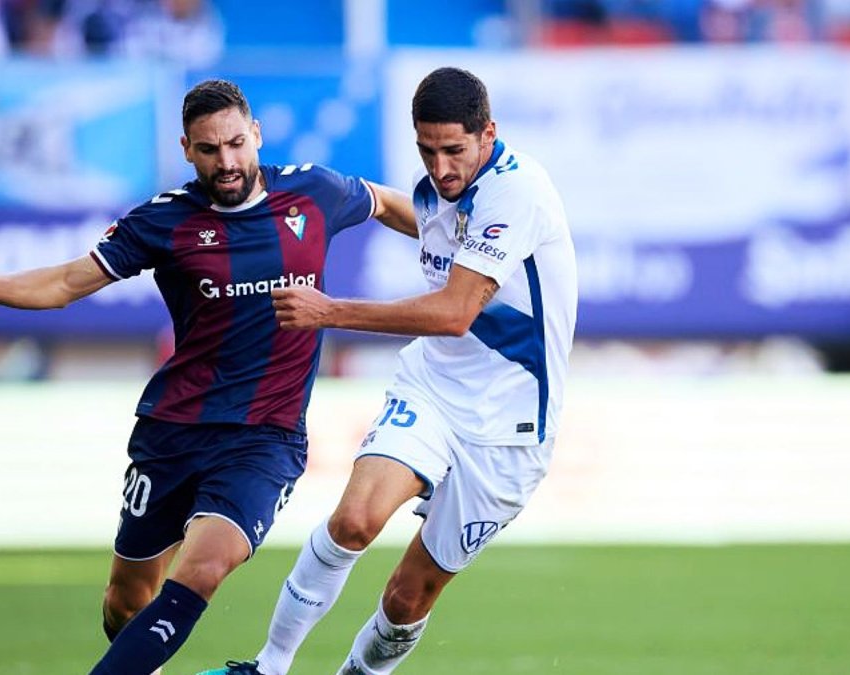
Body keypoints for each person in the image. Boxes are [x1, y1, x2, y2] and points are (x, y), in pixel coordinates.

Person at [0, 78, 416, 675]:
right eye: (209, 149)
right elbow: (67, 283)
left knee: (203, 569)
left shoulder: (314, 192)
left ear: (256, 135)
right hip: (174, 431)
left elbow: (386, 202)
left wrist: (457, 250)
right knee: (126, 600)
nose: (226, 161)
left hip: (265, 437)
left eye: (235, 143)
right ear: (187, 149)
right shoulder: (165, 221)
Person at [200, 66, 578, 675]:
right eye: (427, 151)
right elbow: (421, 218)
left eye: (454, 150)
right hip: (433, 390)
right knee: (354, 521)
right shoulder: (439, 187)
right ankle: (268, 667)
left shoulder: (518, 194)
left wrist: (329, 311)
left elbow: (454, 313)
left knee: (407, 597)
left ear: (488, 134)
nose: (441, 167)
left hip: (510, 429)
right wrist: (362, 197)